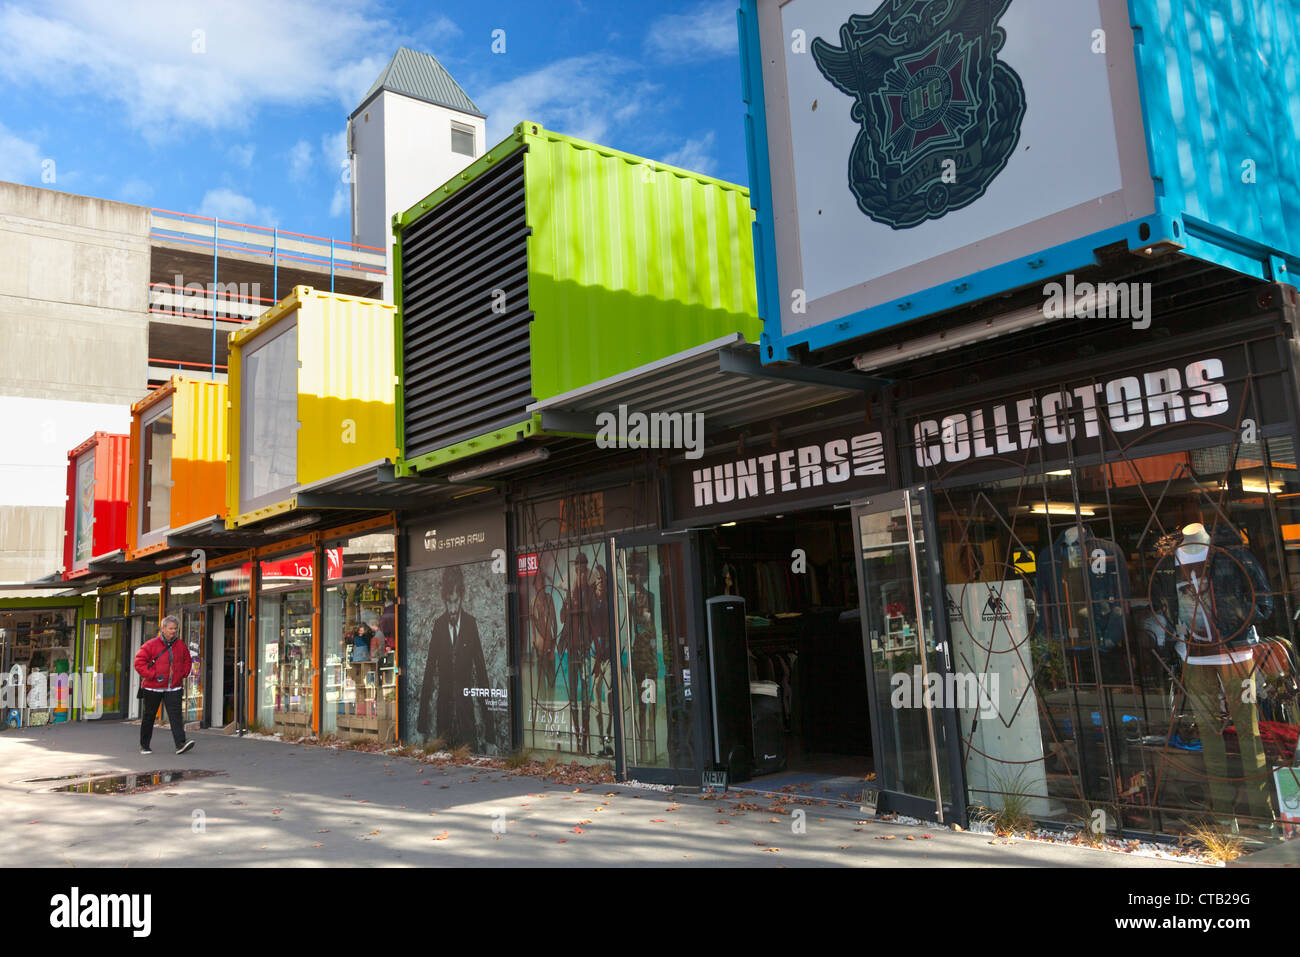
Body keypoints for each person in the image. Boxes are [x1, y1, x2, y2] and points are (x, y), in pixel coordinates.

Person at [415, 566, 494, 749]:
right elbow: (428, 675)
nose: (452, 608)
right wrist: (421, 729)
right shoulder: (438, 626)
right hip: (443, 719)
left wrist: (490, 736)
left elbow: (482, 676)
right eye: (448, 602)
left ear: (462, 597)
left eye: (455, 601)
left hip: (467, 720)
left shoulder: (470, 625)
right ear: (444, 599)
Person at [134, 614, 194, 755]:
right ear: (163, 628)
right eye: (171, 628)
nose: (174, 631)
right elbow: (139, 663)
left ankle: (180, 744)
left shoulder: (180, 645)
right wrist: (153, 675)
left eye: (175, 628)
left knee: (176, 716)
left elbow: (187, 660)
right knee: (149, 716)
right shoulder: (150, 645)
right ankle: (145, 745)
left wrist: (183, 674)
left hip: (174, 687)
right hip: (152, 688)